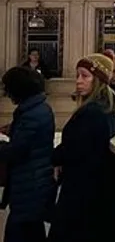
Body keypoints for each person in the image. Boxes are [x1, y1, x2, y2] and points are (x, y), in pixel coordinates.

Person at [47, 53, 115, 242]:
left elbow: (73, 149)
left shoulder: (92, 113)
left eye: (85, 76)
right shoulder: (107, 108)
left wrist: (55, 158)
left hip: (82, 194)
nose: (78, 81)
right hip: (97, 193)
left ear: (98, 80)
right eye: (77, 76)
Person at [0, 67, 55, 242]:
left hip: (29, 184)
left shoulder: (30, 114)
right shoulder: (39, 108)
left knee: (19, 233)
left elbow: (16, 150)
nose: (7, 94)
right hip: (36, 183)